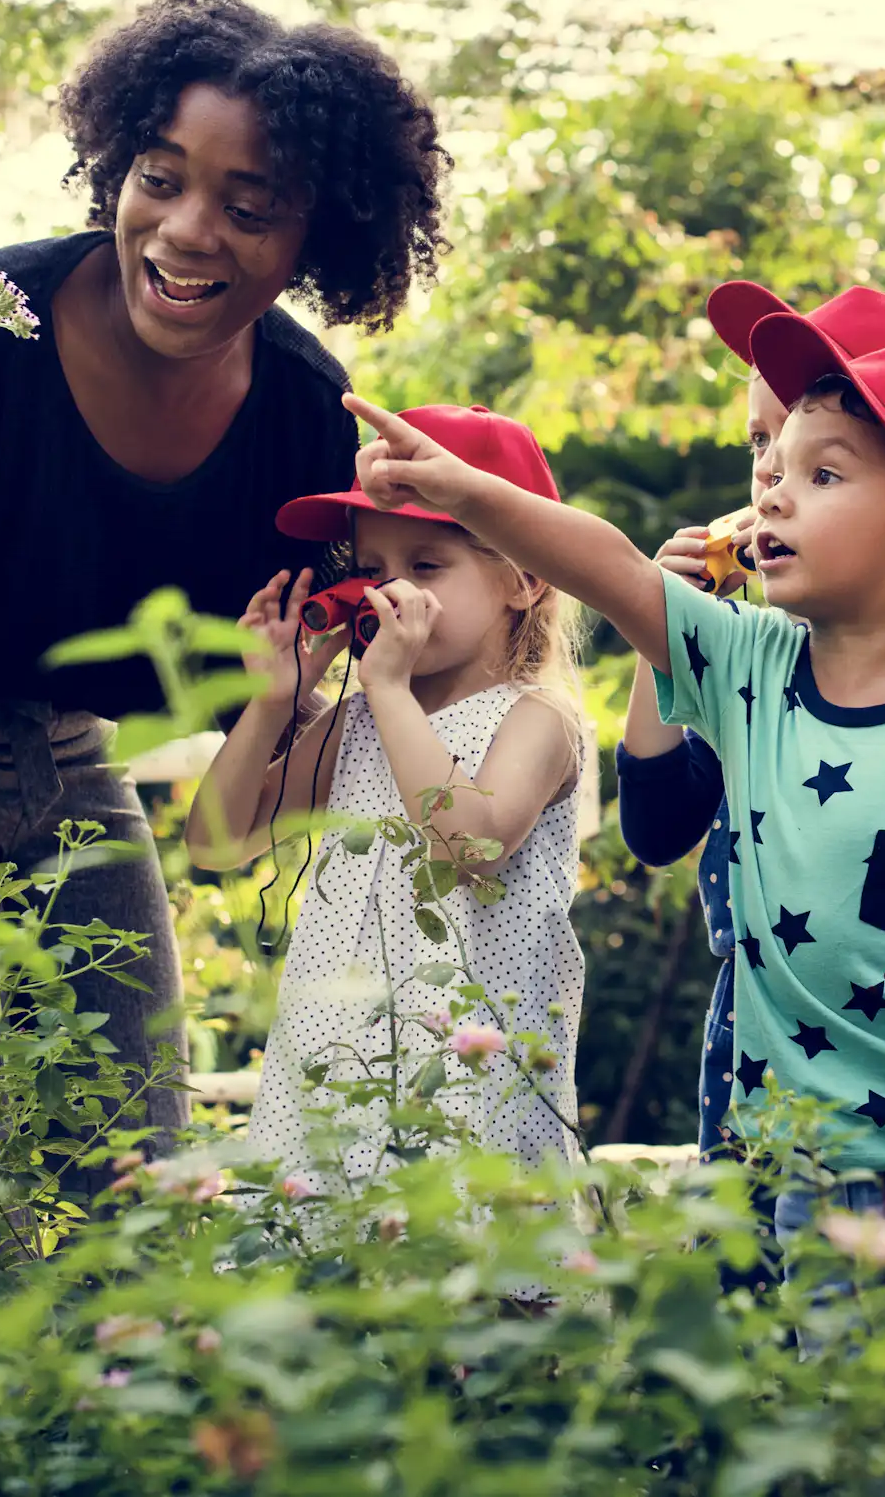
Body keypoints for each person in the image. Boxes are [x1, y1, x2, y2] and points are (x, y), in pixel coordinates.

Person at [0, 0, 448, 1143]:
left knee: (133, 1160)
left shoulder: (304, 415)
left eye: (248, 207)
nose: (187, 229)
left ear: (317, 236)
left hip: (60, 747)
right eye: (160, 178)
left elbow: (281, 672)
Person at [338, 287, 885, 1340]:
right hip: (806, 1165)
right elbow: (605, 566)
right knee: (828, 1413)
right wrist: (466, 493)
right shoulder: (746, 660)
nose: (773, 494)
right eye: (773, 464)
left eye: (821, 474)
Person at [616, 281, 885, 1159]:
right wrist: (664, 631)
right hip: (764, 1010)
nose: (770, 473)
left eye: (817, 462)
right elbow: (656, 828)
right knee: (751, 1238)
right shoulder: (752, 639)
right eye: (760, 442)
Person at [186, 404, 587, 1189]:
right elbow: (217, 842)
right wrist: (272, 702)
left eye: (426, 566)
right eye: (371, 568)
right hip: (335, 1072)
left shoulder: (537, 719)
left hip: (467, 1085)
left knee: (468, 1257)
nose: (388, 591)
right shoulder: (361, 718)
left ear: (525, 579)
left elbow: (468, 847)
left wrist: (391, 692)